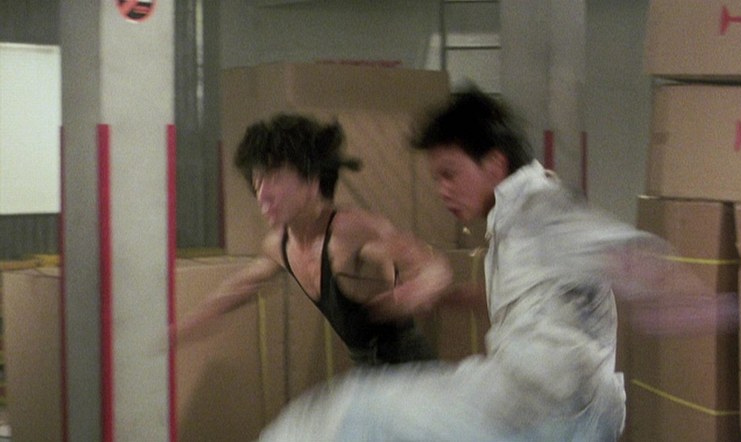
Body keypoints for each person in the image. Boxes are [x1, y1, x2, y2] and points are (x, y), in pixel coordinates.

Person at [258, 89, 698, 441]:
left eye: (450, 174)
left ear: (494, 164)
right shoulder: (513, 218)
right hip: (561, 409)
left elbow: (621, 249)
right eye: (436, 178)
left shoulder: (538, 206)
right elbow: (524, 298)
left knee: (339, 415)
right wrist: (446, 298)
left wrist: (686, 296)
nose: (442, 190)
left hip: (546, 407)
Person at [177, 113, 452, 366]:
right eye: (257, 181)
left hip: (416, 376)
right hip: (369, 375)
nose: (262, 195)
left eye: (274, 178)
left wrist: (422, 287)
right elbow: (237, 289)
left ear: (312, 181)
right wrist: (180, 330)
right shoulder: (278, 245)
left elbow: (430, 265)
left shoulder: (350, 230)